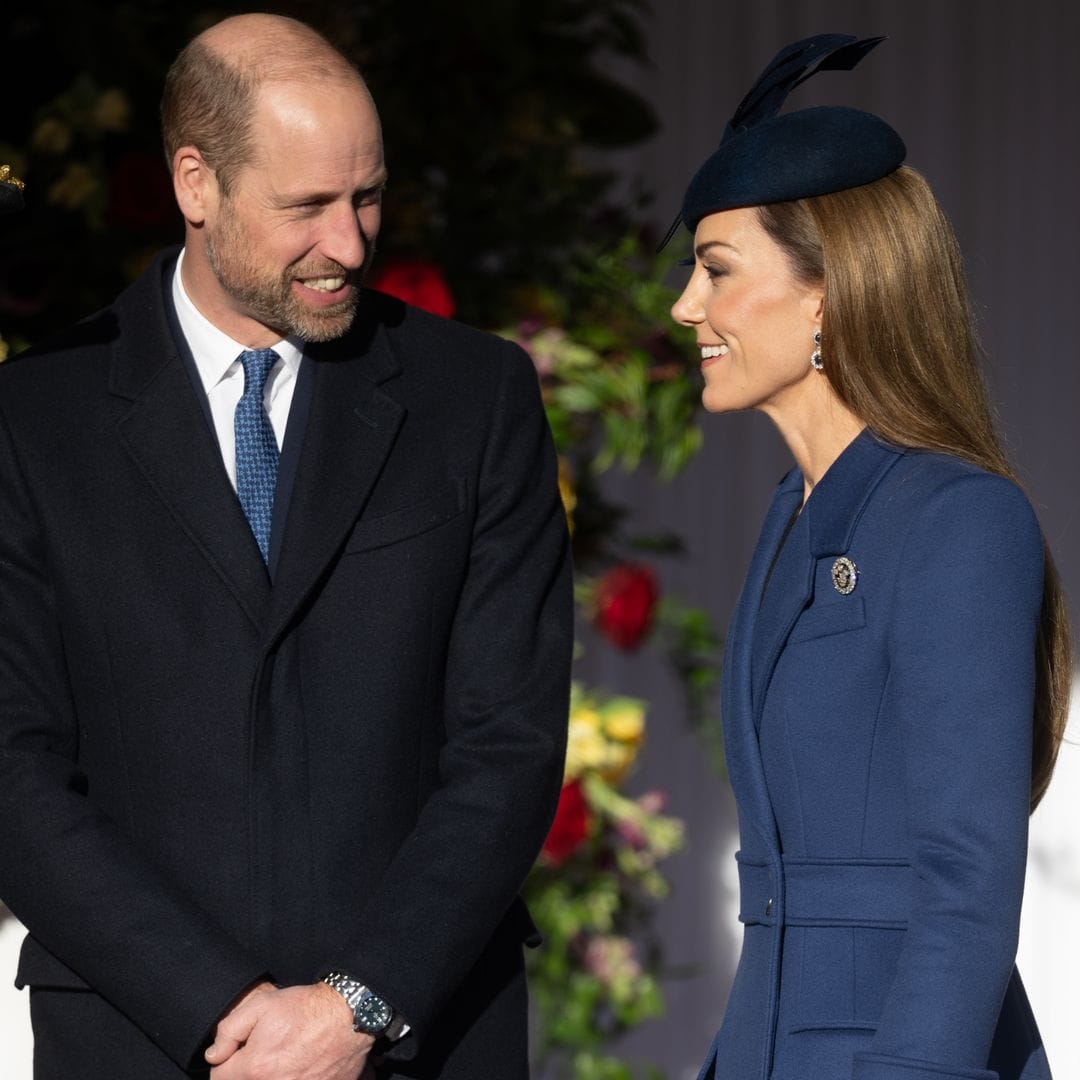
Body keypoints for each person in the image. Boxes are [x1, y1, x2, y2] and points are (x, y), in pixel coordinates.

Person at [0, 13, 572, 1080]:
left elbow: (510, 741)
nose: (349, 243)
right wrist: (218, 1009)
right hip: (138, 1040)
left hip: (424, 1038)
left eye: (368, 197)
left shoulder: (474, 397)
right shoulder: (32, 422)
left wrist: (357, 1007)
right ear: (196, 184)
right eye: (307, 206)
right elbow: (11, 771)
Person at [668, 34, 1070, 1080]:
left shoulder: (960, 520)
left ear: (825, 293)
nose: (685, 305)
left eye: (716, 270)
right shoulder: (791, 512)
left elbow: (967, 881)